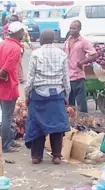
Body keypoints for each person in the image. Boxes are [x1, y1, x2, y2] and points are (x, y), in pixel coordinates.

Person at [24, 29, 71, 165]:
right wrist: (66, 95)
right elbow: (66, 80)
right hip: (57, 94)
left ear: (42, 39)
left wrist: (27, 94)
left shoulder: (35, 54)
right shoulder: (62, 54)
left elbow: (30, 78)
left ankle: (37, 156)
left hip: (39, 95)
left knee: (37, 126)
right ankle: (56, 155)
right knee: (57, 126)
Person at [0, 21, 25, 153]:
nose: (24, 33)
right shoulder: (15, 49)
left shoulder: (1, 44)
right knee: (7, 116)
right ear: (17, 33)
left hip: (3, 84)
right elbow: (5, 70)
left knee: (7, 115)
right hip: (8, 86)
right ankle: (5, 145)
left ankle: (9, 140)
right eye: (22, 31)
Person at [64, 20, 98, 113]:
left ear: (79, 29)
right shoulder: (67, 41)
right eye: (70, 28)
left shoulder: (83, 42)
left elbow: (94, 54)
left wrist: (82, 62)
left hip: (78, 76)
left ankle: (83, 122)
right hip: (68, 77)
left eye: (74, 28)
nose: (71, 30)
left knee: (81, 103)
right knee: (69, 104)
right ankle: (71, 123)